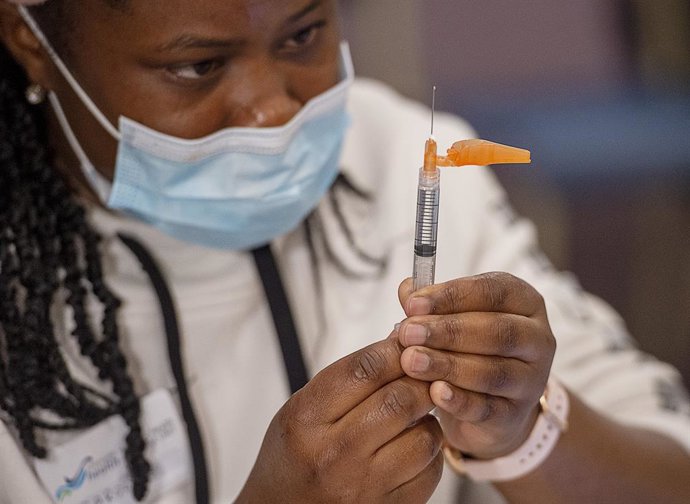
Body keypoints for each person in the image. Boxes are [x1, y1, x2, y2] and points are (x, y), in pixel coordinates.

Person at [0, 1, 689, 503]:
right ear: (30, 36)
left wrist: (522, 435)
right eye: (198, 65)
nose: (274, 111)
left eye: (302, 35)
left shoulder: (386, 160)